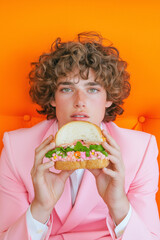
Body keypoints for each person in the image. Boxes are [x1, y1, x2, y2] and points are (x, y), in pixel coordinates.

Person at [0, 32, 160, 240]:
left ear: (108, 98)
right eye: (67, 89)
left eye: (92, 89)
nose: (80, 101)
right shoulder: (15, 147)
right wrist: (40, 207)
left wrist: (118, 203)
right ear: (53, 98)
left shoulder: (141, 149)